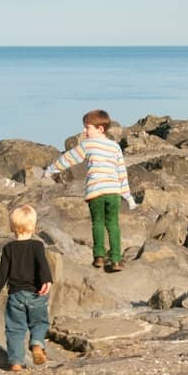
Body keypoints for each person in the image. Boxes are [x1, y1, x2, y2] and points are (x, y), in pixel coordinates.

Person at [44, 109, 136, 271]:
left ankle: (99, 256)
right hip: (114, 192)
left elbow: (69, 158)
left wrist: (51, 169)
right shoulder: (115, 147)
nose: (84, 131)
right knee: (113, 224)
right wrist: (128, 196)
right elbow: (122, 172)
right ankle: (116, 259)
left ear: (100, 128)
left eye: (88, 127)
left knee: (98, 223)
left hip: (96, 192)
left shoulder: (88, 145)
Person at [0, 205, 53, 371]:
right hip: (36, 294)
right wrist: (47, 280)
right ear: (33, 226)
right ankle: (37, 343)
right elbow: (42, 265)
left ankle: (16, 362)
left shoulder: (9, 248)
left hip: (15, 295)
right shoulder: (37, 246)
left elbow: (3, 272)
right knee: (40, 322)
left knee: (15, 329)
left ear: (12, 227)